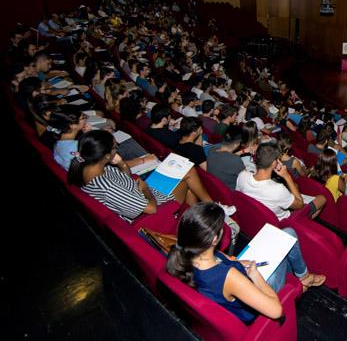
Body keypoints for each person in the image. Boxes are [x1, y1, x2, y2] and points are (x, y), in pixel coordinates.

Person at [166, 203, 326, 324]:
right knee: (288, 237)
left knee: (287, 235)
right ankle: (301, 281)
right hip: (255, 301)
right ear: (214, 239)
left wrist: (235, 262)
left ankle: (301, 279)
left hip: (240, 282)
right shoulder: (229, 276)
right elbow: (277, 311)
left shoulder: (189, 255)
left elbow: (226, 260)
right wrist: (256, 276)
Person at [68, 130, 212, 221]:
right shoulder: (107, 186)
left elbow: (125, 180)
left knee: (184, 176)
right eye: (114, 147)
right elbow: (151, 209)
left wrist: (122, 164)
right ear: (105, 156)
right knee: (188, 171)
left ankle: (197, 218)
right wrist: (145, 189)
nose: (116, 149)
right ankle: (213, 209)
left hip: (142, 193)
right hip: (153, 208)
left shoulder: (91, 168)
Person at [236, 143, 326, 220]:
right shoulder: (277, 190)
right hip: (284, 221)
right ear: (274, 163)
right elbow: (300, 205)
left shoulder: (242, 175)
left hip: (258, 216)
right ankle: (301, 223)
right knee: (322, 198)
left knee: (295, 188)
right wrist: (287, 176)